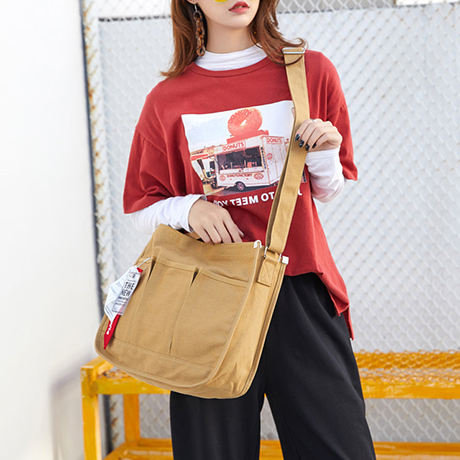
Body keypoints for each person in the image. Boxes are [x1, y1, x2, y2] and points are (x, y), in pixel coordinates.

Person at [123, 0, 376, 458]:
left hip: (299, 289)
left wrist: (324, 151)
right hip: (208, 299)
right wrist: (190, 209)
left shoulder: (308, 71)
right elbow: (141, 205)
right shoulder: (167, 99)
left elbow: (327, 190)